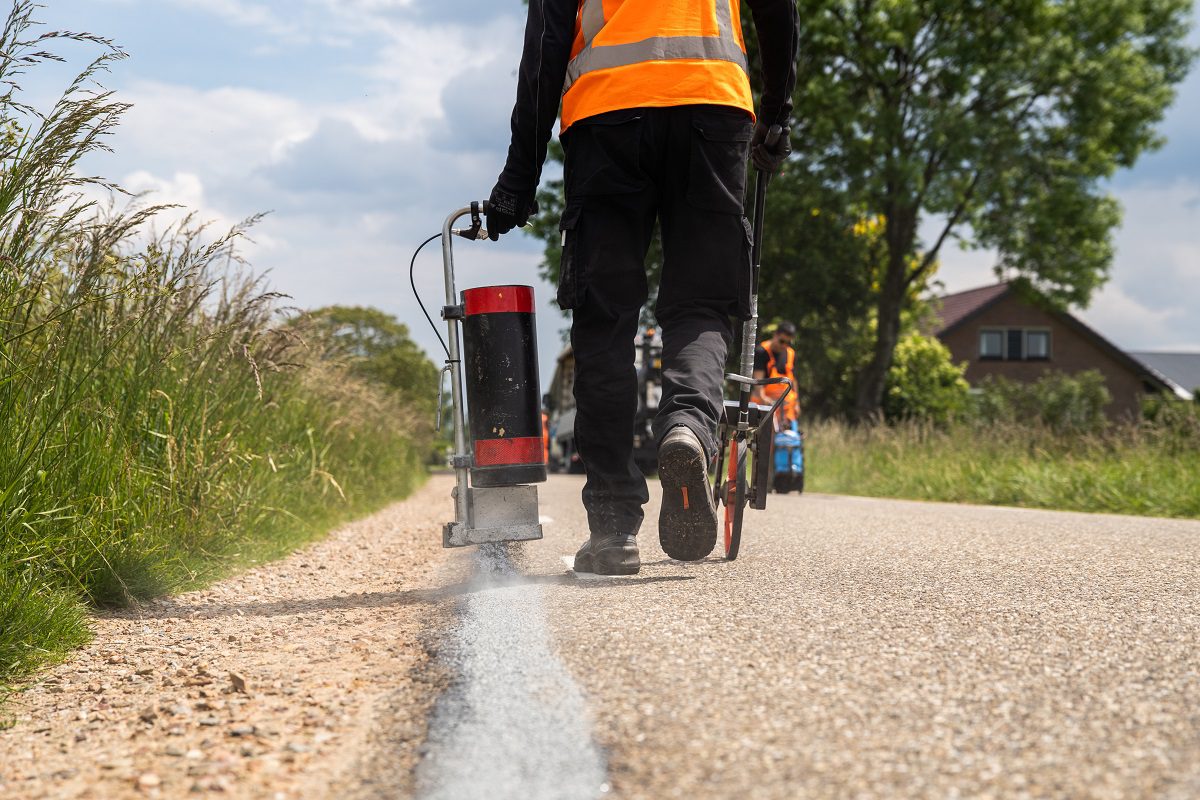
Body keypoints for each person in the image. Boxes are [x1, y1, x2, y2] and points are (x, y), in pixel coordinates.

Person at [486, 0, 799, 575]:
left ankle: (612, 527)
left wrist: (519, 176)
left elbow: (546, 45)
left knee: (605, 318)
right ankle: (687, 427)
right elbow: (777, 8)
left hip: (606, 118)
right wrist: (778, 112)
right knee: (702, 304)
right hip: (713, 106)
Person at [753, 321, 800, 426]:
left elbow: (794, 380)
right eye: (782, 341)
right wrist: (766, 401)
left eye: (788, 343)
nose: (784, 346)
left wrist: (797, 403)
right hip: (766, 404)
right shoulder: (762, 351)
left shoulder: (791, 353)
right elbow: (757, 382)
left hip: (787, 408)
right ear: (775, 335)